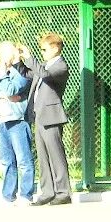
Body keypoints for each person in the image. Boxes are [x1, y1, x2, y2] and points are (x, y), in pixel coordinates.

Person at [0, 41, 35, 205]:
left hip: (17, 120)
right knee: (7, 160)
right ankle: (8, 196)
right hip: (1, 121)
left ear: (13, 53)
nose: (1, 57)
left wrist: (2, 80)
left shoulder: (21, 72)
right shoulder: (0, 72)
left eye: (4, 53)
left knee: (24, 160)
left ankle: (26, 195)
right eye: (0, 53)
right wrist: (2, 95)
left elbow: (12, 89)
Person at [28, 32, 72, 205]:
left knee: (56, 155)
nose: (42, 52)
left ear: (55, 48)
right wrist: (18, 61)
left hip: (52, 117)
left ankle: (63, 193)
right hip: (39, 115)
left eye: (45, 49)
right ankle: (47, 192)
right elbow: (29, 74)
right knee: (43, 156)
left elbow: (46, 76)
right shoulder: (45, 66)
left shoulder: (60, 66)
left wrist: (31, 58)